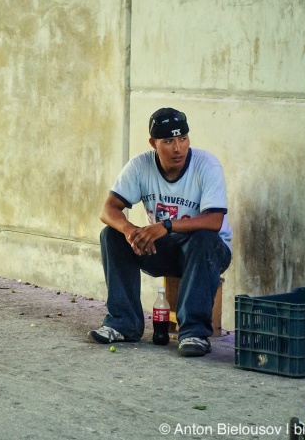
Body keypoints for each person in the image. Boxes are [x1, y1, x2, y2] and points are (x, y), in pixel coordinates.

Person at [89, 107, 232, 357]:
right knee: (111, 234)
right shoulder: (140, 166)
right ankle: (123, 323)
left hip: (206, 254)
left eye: (183, 139)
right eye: (168, 141)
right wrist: (131, 230)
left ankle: (194, 333)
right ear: (153, 143)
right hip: (162, 250)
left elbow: (214, 221)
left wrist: (165, 225)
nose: (178, 148)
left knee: (204, 237)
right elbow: (108, 210)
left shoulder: (206, 165)